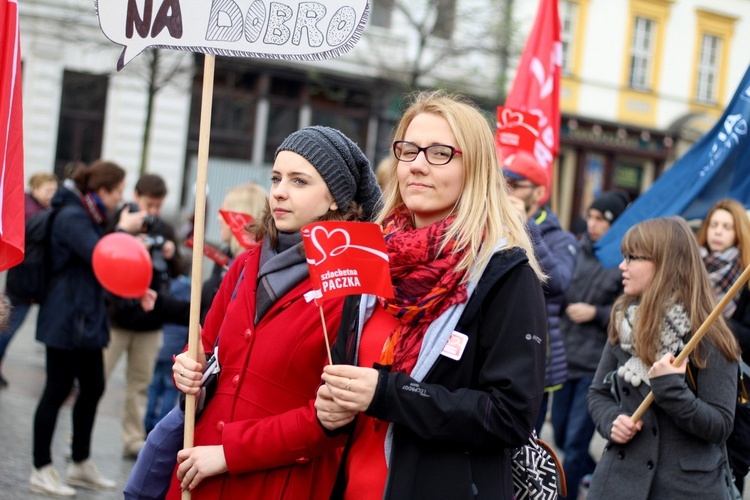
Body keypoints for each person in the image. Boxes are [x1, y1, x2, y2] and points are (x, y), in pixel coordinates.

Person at [314, 91, 548, 498]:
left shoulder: (505, 273)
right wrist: (332, 411)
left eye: (440, 153)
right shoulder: (370, 256)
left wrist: (389, 394)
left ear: (473, 169)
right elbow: (348, 379)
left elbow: (511, 417)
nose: (418, 165)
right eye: (408, 151)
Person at [167, 126, 381, 498]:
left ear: (335, 199)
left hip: (280, 483)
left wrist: (230, 453)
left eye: (300, 181)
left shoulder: (352, 286)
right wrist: (187, 372)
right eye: (277, 178)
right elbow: (205, 352)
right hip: (197, 475)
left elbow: (334, 419)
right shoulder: (244, 264)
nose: (279, 191)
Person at [586, 217, 741, 499]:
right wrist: (612, 421)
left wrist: (671, 389)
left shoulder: (710, 335)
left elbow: (719, 426)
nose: (622, 266)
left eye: (633, 257)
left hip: (685, 490)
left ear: (666, 263)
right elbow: (598, 393)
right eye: (624, 257)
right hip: (618, 483)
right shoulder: (625, 321)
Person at [30, 161, 146, 497]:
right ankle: (41, 467)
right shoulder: (72, 216)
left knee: (93, 386)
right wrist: (123, 231)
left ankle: (80, 462)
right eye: (119, 191)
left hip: (87, 318)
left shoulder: (91, 215)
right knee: (56, 390)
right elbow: (102, 255)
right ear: (103, 190)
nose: (121, 198)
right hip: (65, 317)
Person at [550, 189, 629, 498]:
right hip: (563, 358)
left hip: (594, 365)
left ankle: (564, 493)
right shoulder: (576, 250)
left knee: (574, 443)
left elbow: (629, 311)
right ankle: (597, 474)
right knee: (558, 432)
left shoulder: (622, 261)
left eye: (601, 219)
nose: (592, 224)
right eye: (591, 217)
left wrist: (595, 312)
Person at [104, 173, 184, 459]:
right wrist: (127, 233)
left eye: (158, 206)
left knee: (140, 383)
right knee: (96, 379)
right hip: (116, 317)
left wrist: (172, 254)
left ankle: (133, 438)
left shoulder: (163, 227)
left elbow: (175, 271)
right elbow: (104, 255)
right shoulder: (120, 221)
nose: (153, 212)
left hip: (150, 321)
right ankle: (78, 434)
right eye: (149, 205)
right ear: (136, 196)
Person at [503, 150, 577, 436]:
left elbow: (557, 282)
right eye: (503, 183)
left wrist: (526, 227)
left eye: (516, 185)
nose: (506, 191)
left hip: (535, 355)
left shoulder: (561, 238)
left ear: (540, 192)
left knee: (524, 442)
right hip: (498, 347)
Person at [696, 198, 750, 493]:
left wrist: (715, 322)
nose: (718, 232)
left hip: (734, 388)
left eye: (727, 227)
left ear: (738, 232)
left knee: (730, 469)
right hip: (692, 380)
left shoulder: (746, 275)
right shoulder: (691, 269)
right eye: (714, 224)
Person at [0, 172, 59, 387]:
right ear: (35, 189)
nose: (51, 195)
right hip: (23, 283)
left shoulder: (34, 208)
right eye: (47, 191)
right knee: (8, 327)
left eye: (54, 191)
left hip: (21, 281)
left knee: (7, 325)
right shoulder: (35, 213)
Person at [200, 182, 268, 321]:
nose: (218, 218)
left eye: (224, 212)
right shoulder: (226, 254)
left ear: (239, 218)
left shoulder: (261, 266)